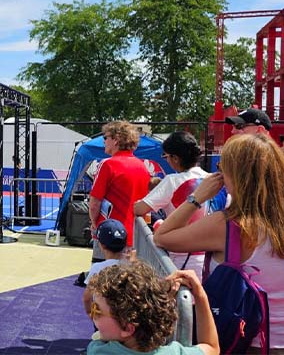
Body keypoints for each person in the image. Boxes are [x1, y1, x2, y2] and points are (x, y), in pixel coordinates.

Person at [153, 133, 284, 352]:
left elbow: (162, 237)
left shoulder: (229, 224)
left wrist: (196, 198)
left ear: (236, 175)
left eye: (223, 168)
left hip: (246, 341)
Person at [86, 261, 219, 354]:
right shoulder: (173, 353)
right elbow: (212, 348)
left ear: (127, 328)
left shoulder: (99, 349)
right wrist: (200, 294)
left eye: (96, 310)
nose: (92, 315)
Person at [133, 131, 207, 276]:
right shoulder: (212, 179)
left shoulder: (172, 181)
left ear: (175, 158)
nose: (166, 160)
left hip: (182, 256)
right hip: (212, 256)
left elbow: (140, 208)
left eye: (166, 156)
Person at [89, 121, 150, 262]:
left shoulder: (107, 164)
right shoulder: (142, 167)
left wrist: (94, 224)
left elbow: (94, 203)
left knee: (102, 277)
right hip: (134, 235)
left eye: (106, 137)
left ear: (116, 140)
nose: (104, 141)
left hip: (109, 233)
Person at [82, 219, 127, 316]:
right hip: (123, 316)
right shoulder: (129, 266)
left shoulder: (97, 268)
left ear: (101, 245)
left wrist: (92, 315)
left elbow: (86, 298)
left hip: (103, 316)